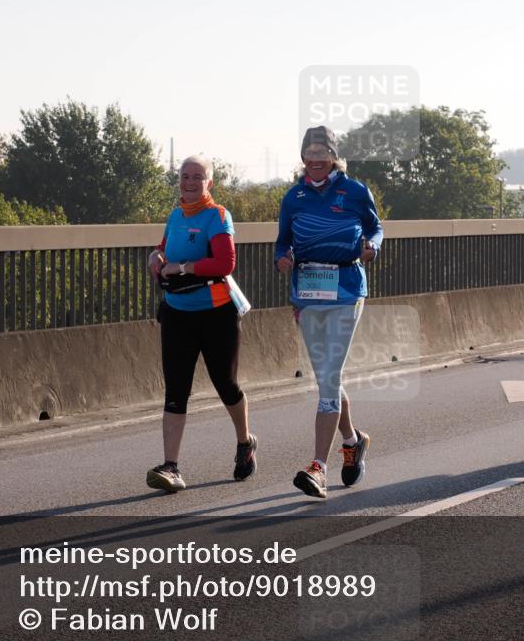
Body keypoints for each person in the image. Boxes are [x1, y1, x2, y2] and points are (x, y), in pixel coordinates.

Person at [275, 126, 383, 498]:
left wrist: (372, 248)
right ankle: (353, 440)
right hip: (307, 292)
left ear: (334, 157)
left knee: (330, 375)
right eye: (310, 152)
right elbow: (281, 243)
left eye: (323, 152)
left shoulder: (354, 191)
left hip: (346, 288)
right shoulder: (294, 196)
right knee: (327, 379)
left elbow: (376, 228)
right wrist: (283, 259)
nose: (316, 159)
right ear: (303, 157)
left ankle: (318, 467)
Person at [146, 155, 256, 492]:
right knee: (176, 389)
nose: (190, 182)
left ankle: (244, 442)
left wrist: (182, 268)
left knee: (226, 384)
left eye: (198, 176)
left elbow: (225, 262)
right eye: (184, 176)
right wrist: (157, 256)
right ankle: (171, 466)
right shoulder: (175, 215)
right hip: (177, 312)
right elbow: (166, 248)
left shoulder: (217, 216)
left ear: (210, 182)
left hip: (216, 313)